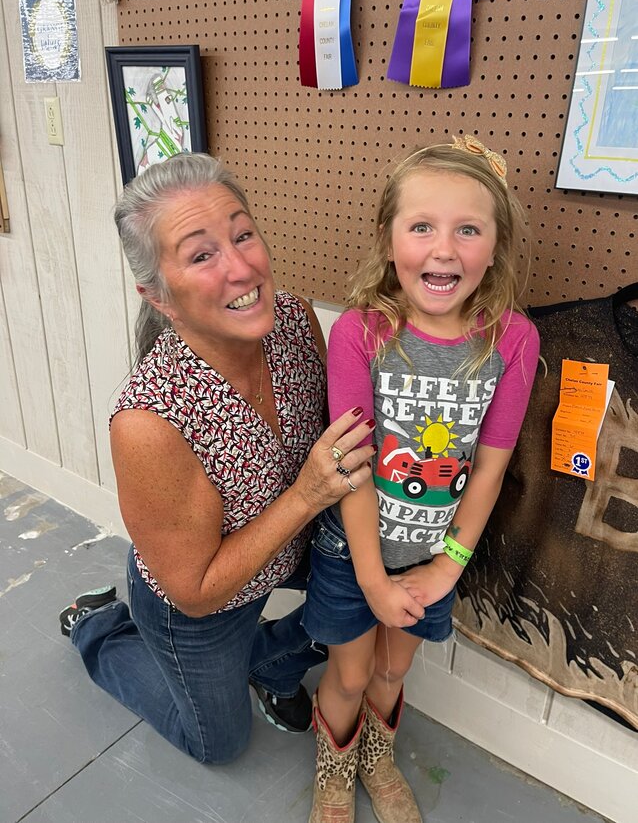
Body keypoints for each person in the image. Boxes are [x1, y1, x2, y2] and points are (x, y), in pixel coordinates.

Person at [58, 152, 375, 764]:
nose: (241, 266)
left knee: (385, 594)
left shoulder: (293, 318)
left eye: (243, 234)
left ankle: (264, 664)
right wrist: (309, 493)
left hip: (292, 550)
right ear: (159, 296)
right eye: (202, 254)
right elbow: (197, 591)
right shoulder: (150, 422)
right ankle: (97, 627)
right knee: (217, 744)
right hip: (201, 602)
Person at [302, 135, 541, 823]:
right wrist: (374, 580)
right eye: (422, 227)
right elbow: (351, 465)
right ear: (387, 240)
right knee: (349, 672)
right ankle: (334, 764)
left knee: (392, 670)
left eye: (468, 229)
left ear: (495, 246)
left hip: (434, 557)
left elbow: (492, 467)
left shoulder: (514, 341)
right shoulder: (359, 333)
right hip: (355, 555)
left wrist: (446, 568)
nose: (445, 249)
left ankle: (377, 754)